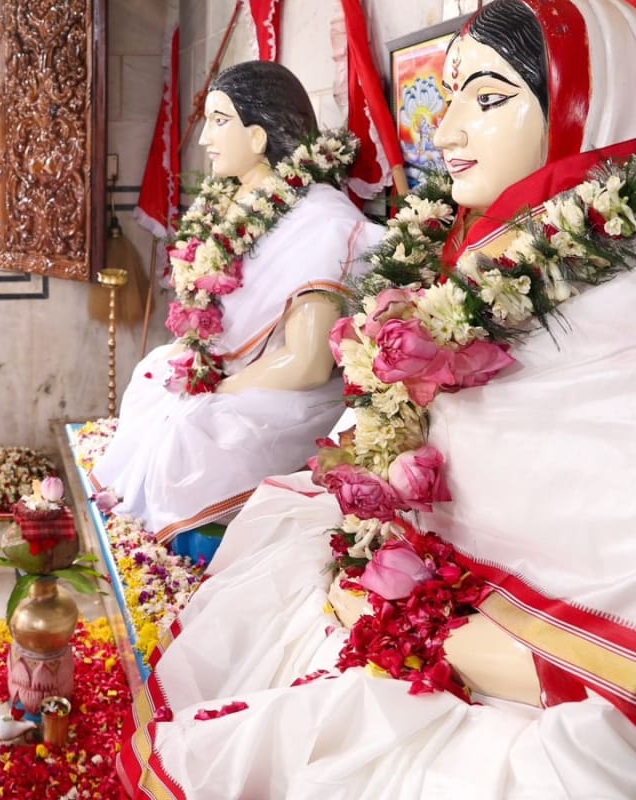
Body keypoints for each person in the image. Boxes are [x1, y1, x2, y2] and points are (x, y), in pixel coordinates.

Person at [118, 1, 636, 797]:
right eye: (450, 96)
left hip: (537, 641)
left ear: (584, 104)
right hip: (402, 554)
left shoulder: (605, 291)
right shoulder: (467, 254)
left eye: (489, 99)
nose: (447, 132)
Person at [91, 61, 382, 545]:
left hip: (290, 398)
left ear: (260, 135)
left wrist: (223, 389)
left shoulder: (320, 221)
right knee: (154, 378)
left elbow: (308, 365)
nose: (205, 138)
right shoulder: (237, 201)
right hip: (238, 371)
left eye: (220, 120)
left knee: (192, 430)